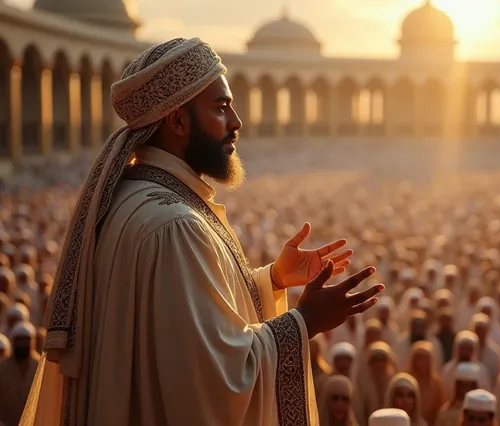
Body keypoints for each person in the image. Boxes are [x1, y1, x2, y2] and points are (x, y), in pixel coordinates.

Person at [19, 37, 383, 426]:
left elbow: (184, 333)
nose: (236, 122)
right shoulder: (176, 225)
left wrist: (272, 279)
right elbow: (213, 384)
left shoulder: (134, 199)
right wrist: (305, 320)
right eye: (221, 107)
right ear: (176, 120)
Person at [0, 322, 39, 426]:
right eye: (19, 340)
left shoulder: (39, 367)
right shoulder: (2, 367)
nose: (23, 344)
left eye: (26, 340)